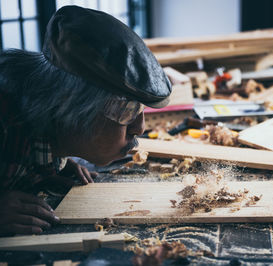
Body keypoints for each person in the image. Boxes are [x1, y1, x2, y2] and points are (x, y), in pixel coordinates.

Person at [0, 5, 171, 236]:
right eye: (126, 110)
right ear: (67, 103)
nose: (139, 128)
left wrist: (50, 163)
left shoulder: (48, 129)